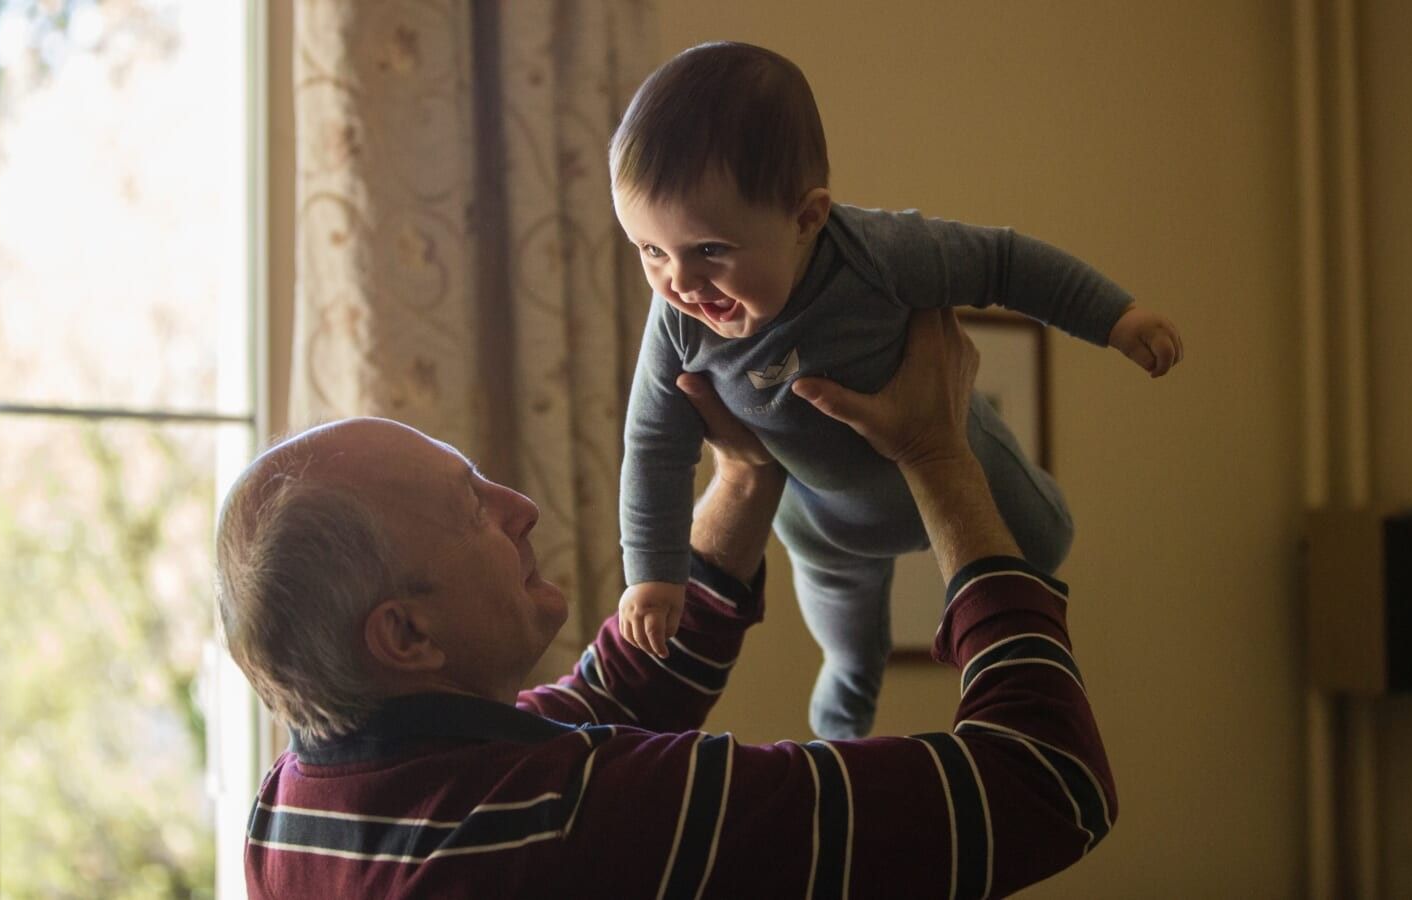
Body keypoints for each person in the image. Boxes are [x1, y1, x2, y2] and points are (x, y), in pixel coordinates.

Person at [217, 309, 1117, 899]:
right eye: (472, 509)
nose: (520, 509)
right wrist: (938, 456)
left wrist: (746, 472)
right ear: (406, 634)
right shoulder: (581, 822)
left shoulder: (295, 808)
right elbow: (1045, 783)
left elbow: (609, 697)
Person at [611, 40, 1183, 739]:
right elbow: (653, 447)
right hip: (825, 526)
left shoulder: (879, 254)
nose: (680, 283)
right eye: (649, 250)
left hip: (956, 452)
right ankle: (842, 732)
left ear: (806, 219)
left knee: (1047, 540)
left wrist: (1115, 317)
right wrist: (654, 574)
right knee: (851, 649)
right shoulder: (676, 323)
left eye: (710, 250)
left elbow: (1004, 262)